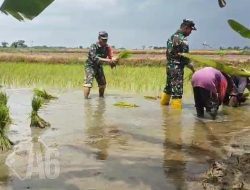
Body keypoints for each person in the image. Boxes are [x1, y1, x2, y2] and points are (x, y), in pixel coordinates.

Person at [161, 19, 196, 109]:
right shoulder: (183, 39)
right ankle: (176, 118)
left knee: (168, 88)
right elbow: (185, 57)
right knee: (177, 93)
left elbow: (168, 53)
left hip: (169, 66)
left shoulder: (171, 37)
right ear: (185, 28)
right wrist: (193, 68)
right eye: (190, 30)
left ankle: (164, 108)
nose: (190, 32)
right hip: (177, 69)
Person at [83, 31, 117, 99]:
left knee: (103, 84)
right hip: (90, 66)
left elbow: (111, 57)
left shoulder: (107, 48)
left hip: (99, 66)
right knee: (88, 83)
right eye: (103, 39)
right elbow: (94, 58)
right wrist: (108, 60)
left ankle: (101, 99)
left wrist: (114, 61)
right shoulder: (94, 46)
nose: (104, 41)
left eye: (106, 40)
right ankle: (86, 100)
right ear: (99, 38)